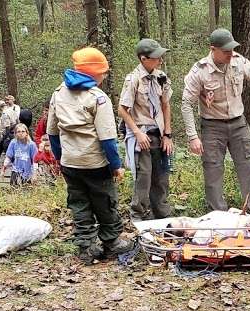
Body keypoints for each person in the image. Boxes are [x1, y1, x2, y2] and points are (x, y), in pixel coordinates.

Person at [181, 28, 250, 214]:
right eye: (226, 51)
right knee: (213, 172)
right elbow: (186, 104)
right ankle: (217, 216)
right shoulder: (200, 71)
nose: (230, 53)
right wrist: (192, 136)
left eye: (231, 49)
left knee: (248, 168)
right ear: (213, 49)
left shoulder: (238, 62)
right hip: (212, 126)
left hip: (238, 123)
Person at [47, 47, 134, 264]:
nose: (104, 76)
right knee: (105, 202)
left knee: (79, 204)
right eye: (103, 72)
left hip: (70, 163)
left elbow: (52, 133)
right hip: (95, 163)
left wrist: (60, 159)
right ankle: (112, 241)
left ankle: (86, 247)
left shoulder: (58, 93)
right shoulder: (98, 98)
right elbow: (107, 138)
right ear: (93, 73)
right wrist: (116, 165)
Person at [118, 38, 175, 221]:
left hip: (159, 133)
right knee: (144, 177)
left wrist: (167, 134)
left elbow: (165, 105)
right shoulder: (133, 79)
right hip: (141, 134)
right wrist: (136, 132)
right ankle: (138, 215)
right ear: (144, 59)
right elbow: (122, 109)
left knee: (161, 176)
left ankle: (162, 214)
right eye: (156, 57)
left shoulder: (161, 77)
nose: (160, 60)